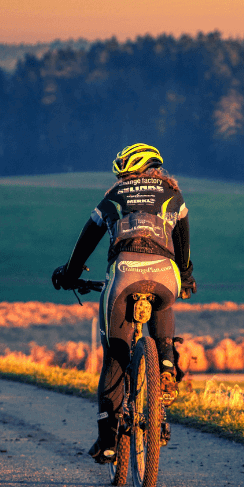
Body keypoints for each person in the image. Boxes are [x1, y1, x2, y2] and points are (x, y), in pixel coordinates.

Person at [51, 143, 197, 464]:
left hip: (123, 276)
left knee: (115, 358)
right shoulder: (173, 194)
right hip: (165, 276)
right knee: (163, 298)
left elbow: (86, 239)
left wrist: (70, 273)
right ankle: (167, 367)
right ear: (155, 169)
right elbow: (183, 243)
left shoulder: (115, 196)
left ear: (127, 172)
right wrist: (186, 278)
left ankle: (108, 442)